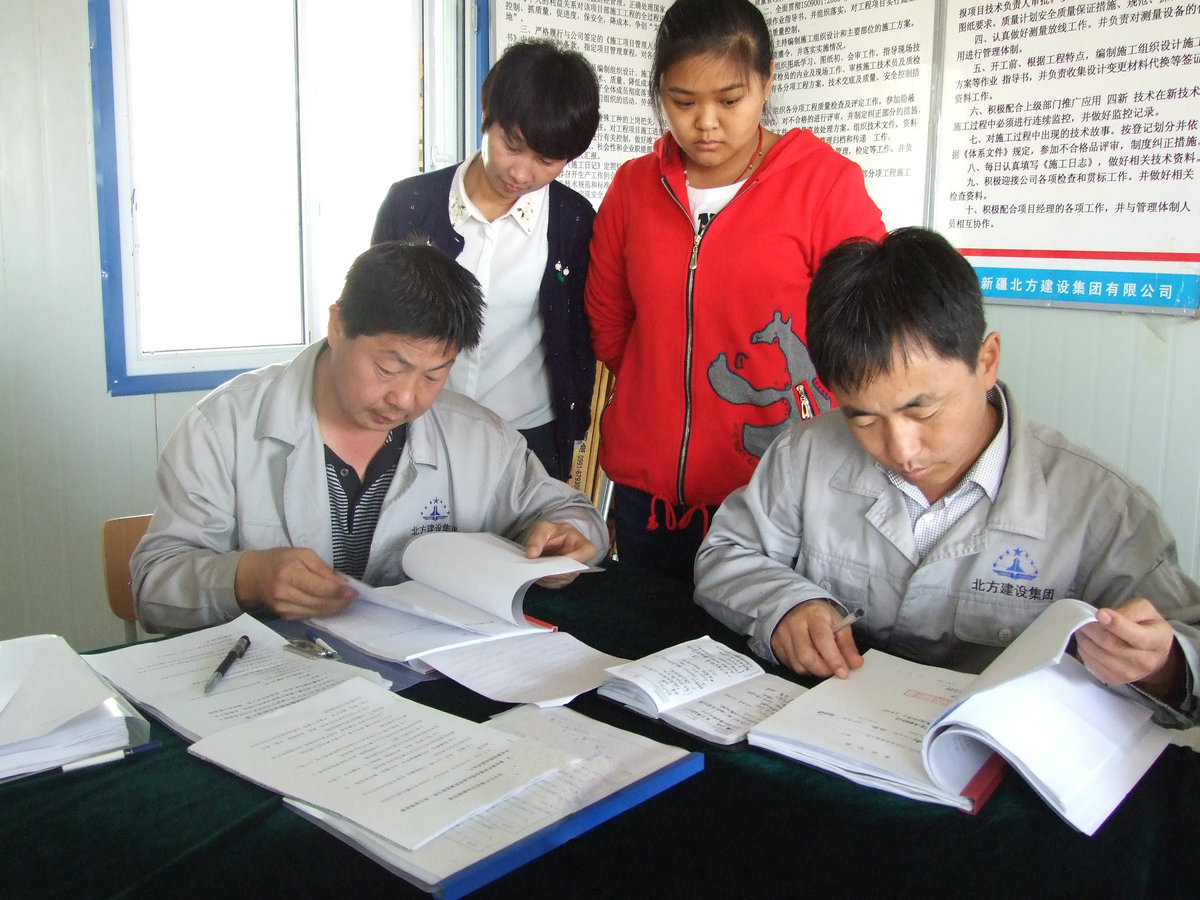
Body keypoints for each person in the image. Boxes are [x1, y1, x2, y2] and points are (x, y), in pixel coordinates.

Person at [694, 227, 1200, 727]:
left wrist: (1163, 667)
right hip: (836, 737)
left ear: (986, 361)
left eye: (923, 410)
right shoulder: (805, 455)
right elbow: (726, 553)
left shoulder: (1103, 508)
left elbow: (1186, 646)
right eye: (863, 419)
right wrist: (786, 606)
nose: (901, 449)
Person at [132, 241, 609, 634]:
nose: (405, 399)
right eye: (388, 368)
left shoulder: (478, 437)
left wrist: (565, 540)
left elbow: (576, 516)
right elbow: (153, 585)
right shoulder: (222, 428)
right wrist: (247, 578)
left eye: (433, 375)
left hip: (422, 682)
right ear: (338, 326)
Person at [585, 0, 887, 584]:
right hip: (652, 494)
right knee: (649, 628)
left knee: (768, 632)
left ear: (766, 82)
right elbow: (608, 318)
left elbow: (867, 325)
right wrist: (660, 390)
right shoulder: (633, 187)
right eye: (683, 102)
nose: (706, 123)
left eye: (729, 101)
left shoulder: (824, 185)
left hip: (775, 491)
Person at [371, 39, 600, 482]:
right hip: (419, 423)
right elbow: (375, 321)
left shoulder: (572, 221)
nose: (521, 173)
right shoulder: (410, 204)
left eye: (547, 160)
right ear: (486, 111)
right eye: (512, 145)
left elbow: (581, 335)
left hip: (529, 437)